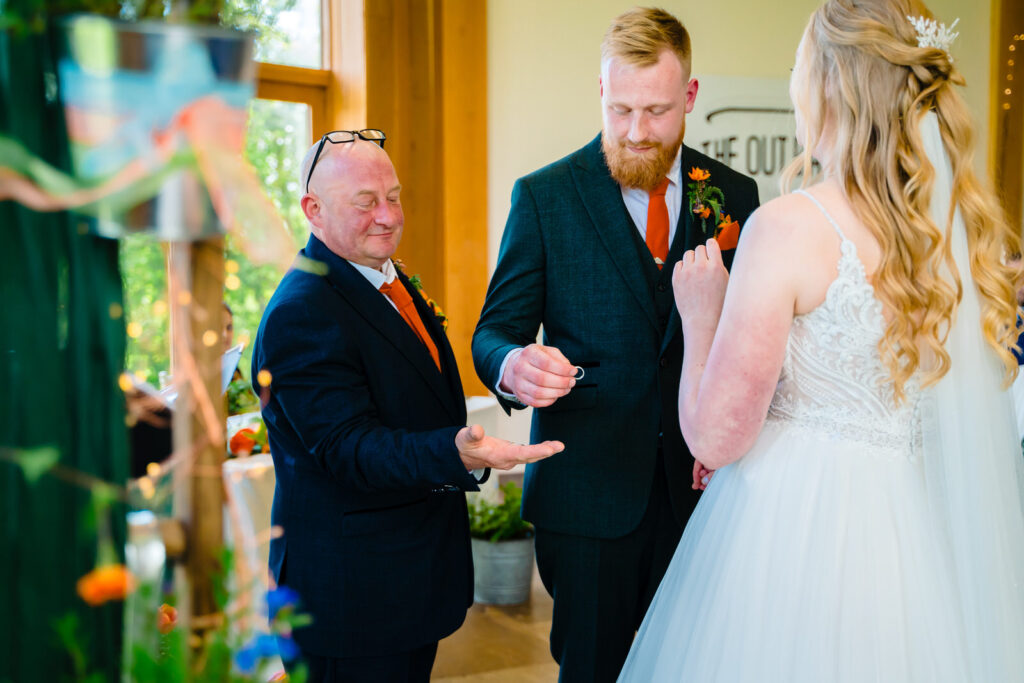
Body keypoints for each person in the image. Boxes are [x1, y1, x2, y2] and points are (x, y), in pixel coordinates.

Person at [618, 0, 1024, 680]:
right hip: (910, 528)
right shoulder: (951, 233)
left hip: (792, 528)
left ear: (828, 86)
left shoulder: (788, 227)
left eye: (798, 68)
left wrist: (700, 315)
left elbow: (716, 439)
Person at [472, 8, 759, 681]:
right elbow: (494, 332)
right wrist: (513, 363)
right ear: (600, 90)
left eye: (656, 111)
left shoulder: (735, 195)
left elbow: (751, 341)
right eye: (619, 107)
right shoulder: (544, 197)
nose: (635, 131)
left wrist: (731, 437)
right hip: (587, 499)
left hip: (701, 494)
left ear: (689, 96)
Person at [252, 131, 564, 683]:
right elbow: (349, 447)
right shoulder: (302, 310)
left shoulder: (385, 279)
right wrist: (457, 452)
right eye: (365, 202)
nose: (388, 216)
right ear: (313, 210)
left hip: (404, 578)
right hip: (351, 594)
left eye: (393, 196)